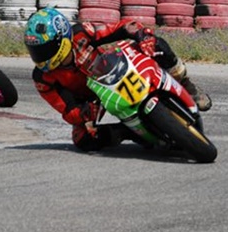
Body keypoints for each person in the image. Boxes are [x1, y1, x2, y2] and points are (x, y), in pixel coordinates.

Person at [24, 8, 211, 151]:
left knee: (157, 45)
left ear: (63, 37)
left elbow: (121, 27)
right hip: (93, 99)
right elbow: (66, 109)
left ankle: (186, 84)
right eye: (35, 51)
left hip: (114, 67)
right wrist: (84, 113)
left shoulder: (82, 32)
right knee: (83, 140)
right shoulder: (42, 78)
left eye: (44, 50)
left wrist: (142, 35)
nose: (41, 57)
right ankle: (129, 132)